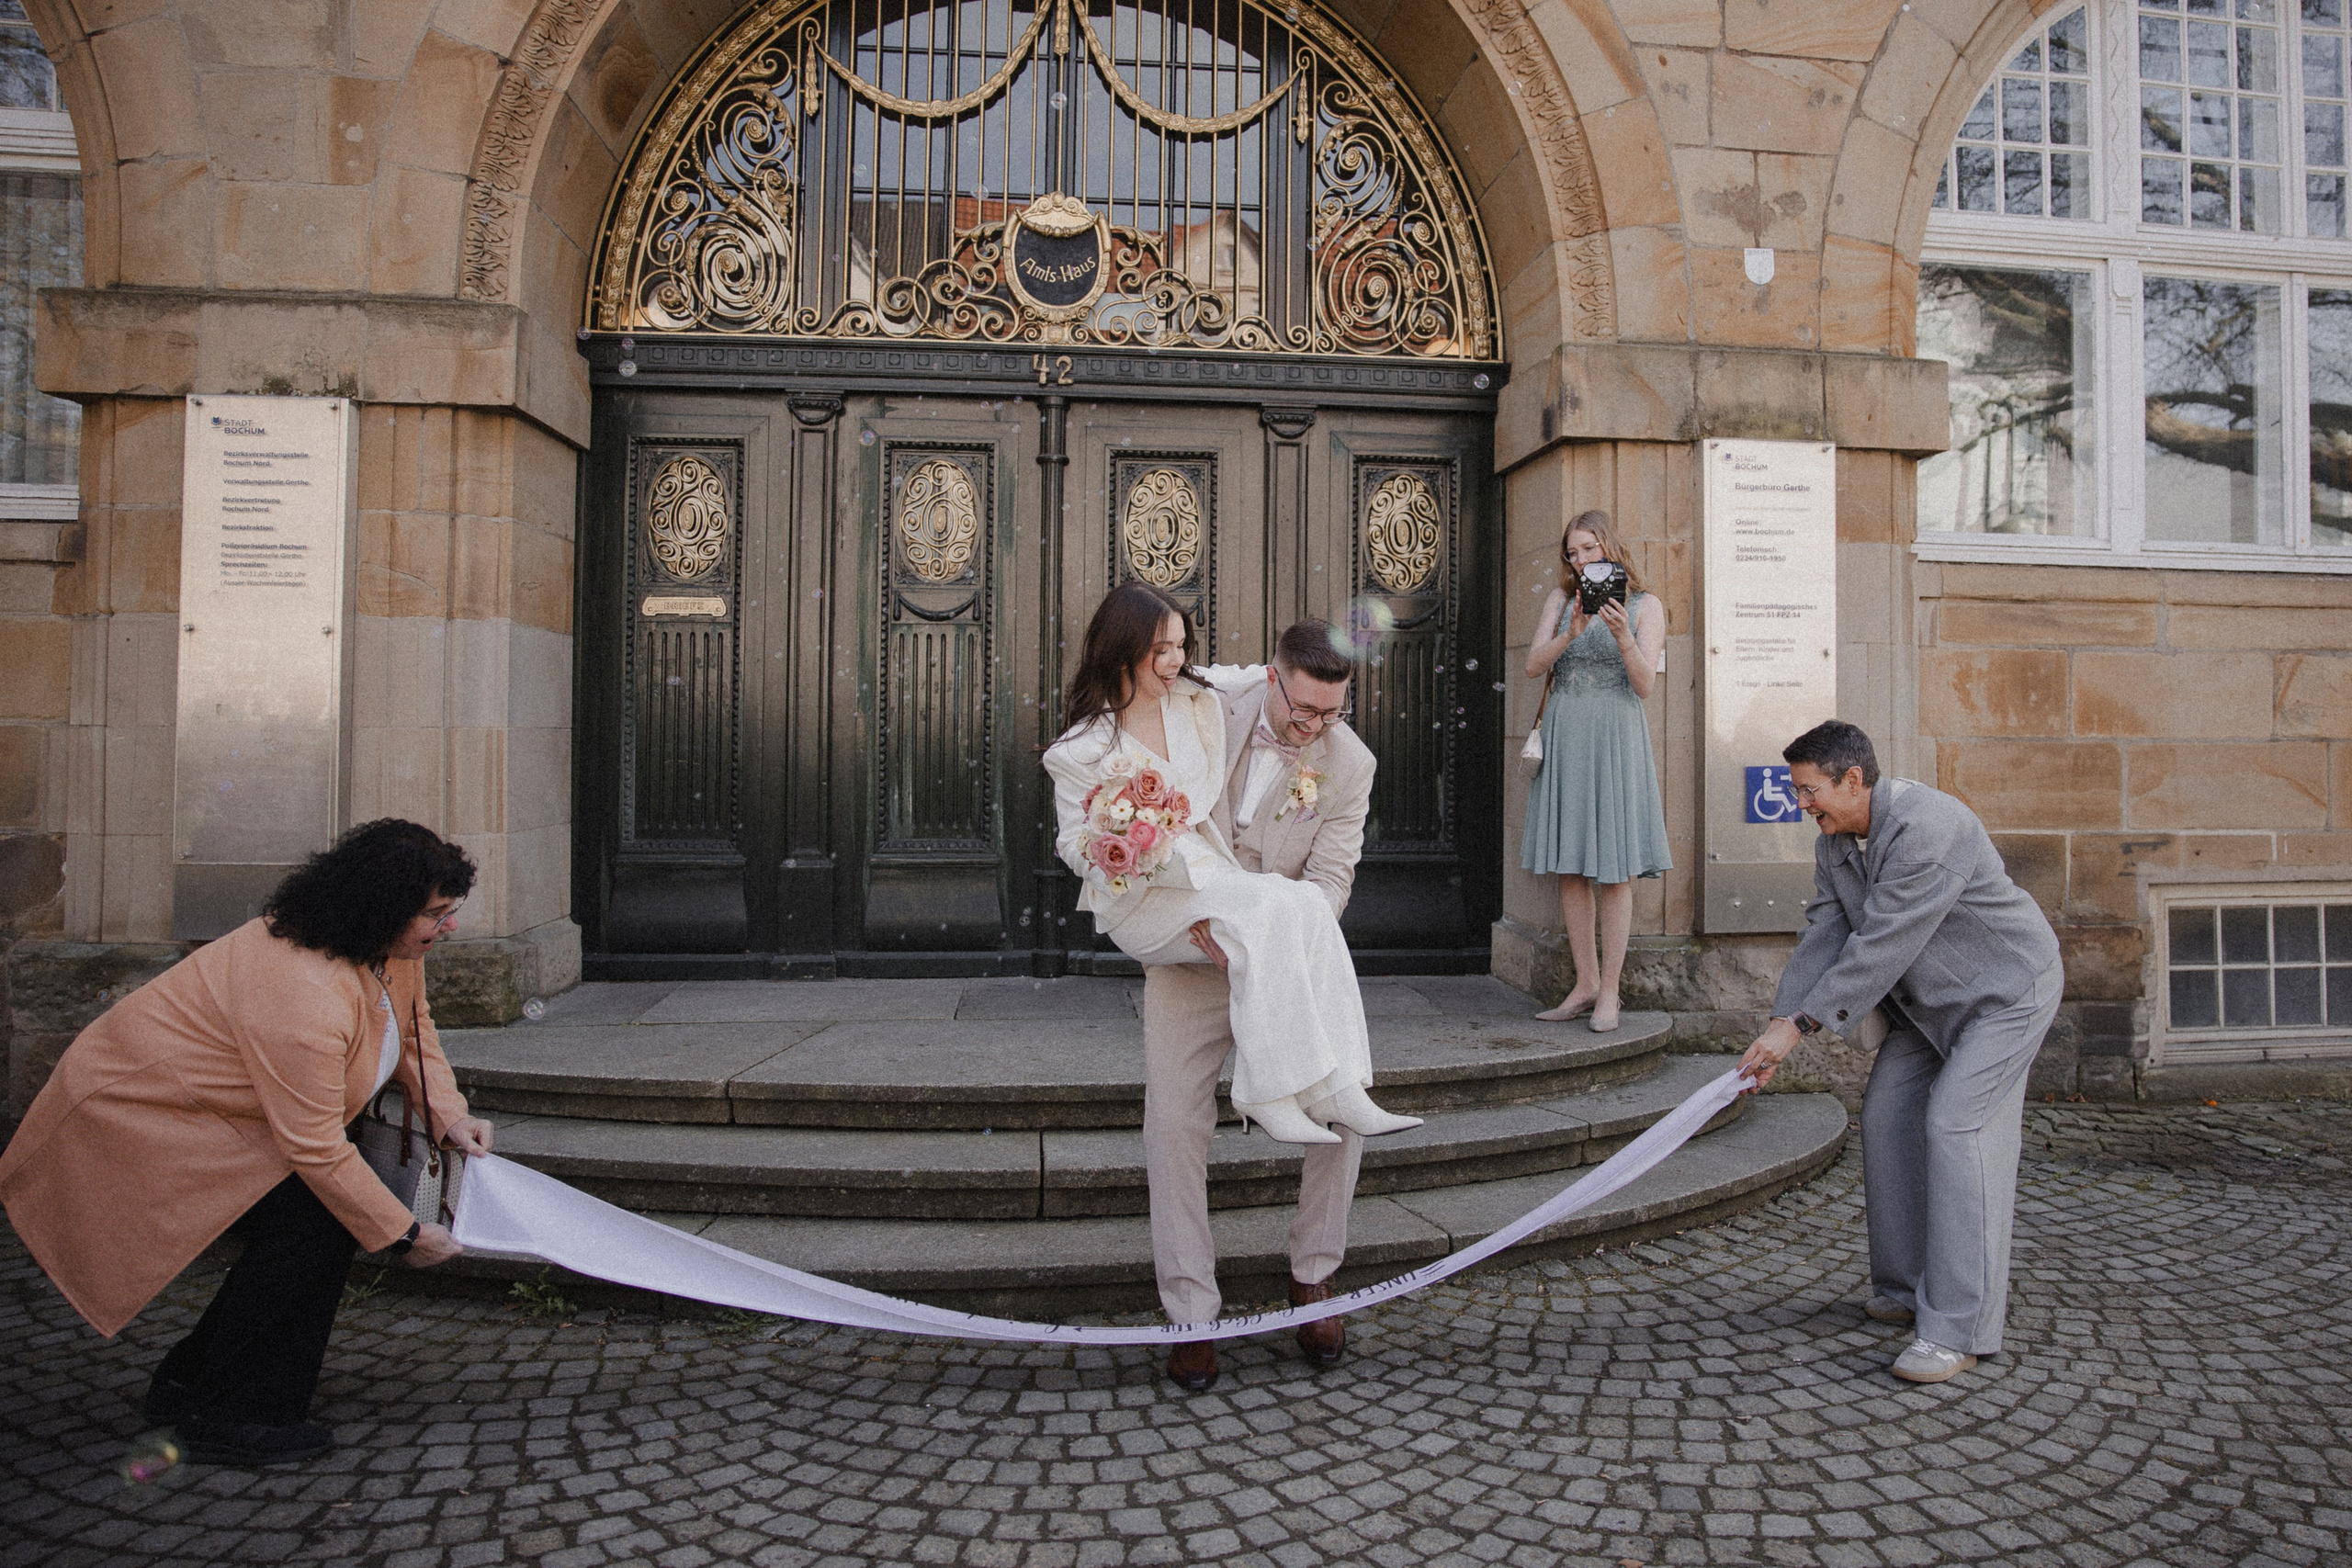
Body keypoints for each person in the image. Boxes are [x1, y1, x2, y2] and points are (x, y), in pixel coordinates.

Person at [0, 819, 494, 1465]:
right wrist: (404, 1234)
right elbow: (316, 1147)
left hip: (223, 1118)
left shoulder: (382, 947)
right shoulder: (303, 993)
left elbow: (412, 1023)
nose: (448, 926)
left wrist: (449, 1115)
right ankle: (236, 1414)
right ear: (383, 907)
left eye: (449, 910)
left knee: (315, 1219)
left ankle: (192, 1382)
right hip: (143, 1117)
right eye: (436, 913)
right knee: (313, 1220)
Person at [1044, 583, 1419, 1162]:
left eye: (1180, 647)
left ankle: (1337, 1085)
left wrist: (1257, 940)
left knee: (1308, 906)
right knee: (1175, 1122)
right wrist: (1123, 843)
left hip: (1219, 885)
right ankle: (1268, 1091)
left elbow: (1262, 672)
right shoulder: (1080, 748)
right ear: (1123, 651)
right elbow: (1073, 845)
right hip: (1149, 900)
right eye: (1162, 650)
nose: (1176, 660)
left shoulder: (1194, 695)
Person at [1736, 721, 2062, 1385]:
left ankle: (1955, 1330)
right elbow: (1827, 928)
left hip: (2004, 998)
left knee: (1956, 1126)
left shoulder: (1930, 828)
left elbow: (1882, 943)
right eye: (1797, 792)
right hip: (1927, 1003)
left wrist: (1799, 1027)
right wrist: (1778, 1019)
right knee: (1886, 1116)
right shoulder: (1835, 842)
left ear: (1853, 780)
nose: (1802, 805)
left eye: (1809, 791)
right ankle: (1906, 1286)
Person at [1138, 618, 1379, 1391]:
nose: (1313, 729)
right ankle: (1191, 1311)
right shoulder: (1208, 704)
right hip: (1193, 942)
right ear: (1272, 679)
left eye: (1331, 714)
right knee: (1174, 1120)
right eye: (1302, 711)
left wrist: (1277, 941)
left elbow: (1332, 881)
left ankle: (1313, 1273)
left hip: (1283, 955)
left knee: (1341, 1103)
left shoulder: (1350, 762)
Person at [1519, 508, 1671, 1032]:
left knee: (1614, 868)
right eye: (1572, 552)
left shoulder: (1647, 606)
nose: (1580, 559)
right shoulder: (1562, 600)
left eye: (1588, 548)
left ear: (1609, 546)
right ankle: (1583, 983)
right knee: (1571, 865)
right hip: (1566, 730)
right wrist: (1573, 630)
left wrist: (1623, 633)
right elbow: (1534, 664)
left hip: (1615, 733)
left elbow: (1645, 685)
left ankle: (1610, 992)